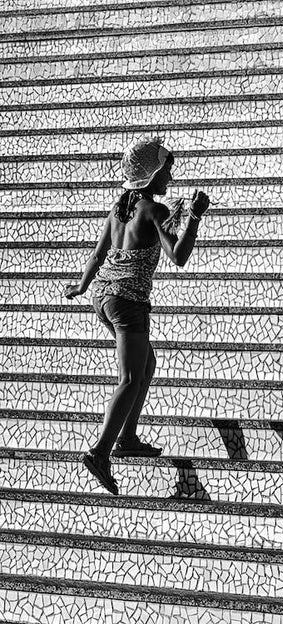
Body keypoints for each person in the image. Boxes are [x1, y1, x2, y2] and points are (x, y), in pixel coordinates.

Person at [63, 137, 209, 495]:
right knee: (130, 376)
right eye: (166, 171)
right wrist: (194, 217)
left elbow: (99, 253)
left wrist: (82, 287)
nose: (169, 178)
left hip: (104, 296)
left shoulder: (120, 208)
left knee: (146, 366)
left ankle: (127, 437)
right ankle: (100, 452)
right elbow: (178, 256)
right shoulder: (152, 211)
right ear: (152, 175)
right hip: (128, 302)